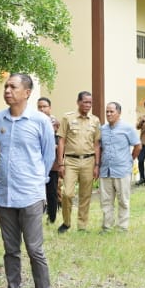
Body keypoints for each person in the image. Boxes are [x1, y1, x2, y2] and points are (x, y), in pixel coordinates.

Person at [0, 74, 57, 288]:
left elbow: (48, 156)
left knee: (34, 249)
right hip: (5, 195)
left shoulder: (40, 121)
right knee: (10, 249)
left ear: (27, 92)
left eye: (13, 87)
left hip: (30, 194)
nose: (8, 90)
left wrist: (37, 182)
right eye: (6, 87)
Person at [57, 91, 101, 232]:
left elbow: (96, 144)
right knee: (67, 193)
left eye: (90, 102)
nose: (88, 105)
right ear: (78, 102)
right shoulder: (67, 118)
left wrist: (97, 165)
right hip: (70, 161)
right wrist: (61, 163)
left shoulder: (95, 120)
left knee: (85, 195)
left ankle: (82, 226)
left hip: (89, 160)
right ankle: (66, 222)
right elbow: (61, 141)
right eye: (85, 102)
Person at [97, 102, 141, 231]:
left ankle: (122, 226)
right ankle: (107, 226)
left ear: (119, 113)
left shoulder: (127, 128)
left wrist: (130, 159)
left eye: (112, 111)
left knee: (123, 200)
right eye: (107, 112)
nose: (109, 114)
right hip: (106, 170)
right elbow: (99, 147)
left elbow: (138, 146)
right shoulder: (103, 129)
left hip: (122, 169)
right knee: (105, 200)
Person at [37, 97, 61, 224]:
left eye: (44, 106)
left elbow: (59, 141)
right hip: (36, 162)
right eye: (39, 106)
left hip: (51, 163)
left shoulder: (54, 122)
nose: (42, 109)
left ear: (49, 108)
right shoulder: (34, 120)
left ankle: (51, 217)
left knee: (51, 191)